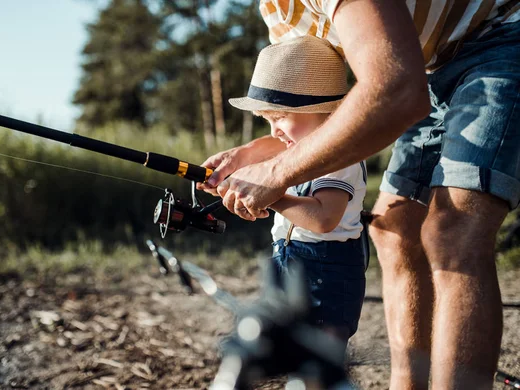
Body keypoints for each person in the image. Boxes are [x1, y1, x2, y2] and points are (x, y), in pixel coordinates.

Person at [198, 1, 520, 389]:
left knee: (452, 230)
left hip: (501, 34)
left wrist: (276, 176)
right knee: (395, 229)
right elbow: (302, 106)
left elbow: (394, 89)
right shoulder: (278, 9)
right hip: (430, 63)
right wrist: (249, 155)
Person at [227, 36, 367, 352]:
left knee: (319, 360)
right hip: (285, 260)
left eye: (279, 118)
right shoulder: (293, 153)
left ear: (323, 112)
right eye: (268, 120)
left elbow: (323, 218)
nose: (274, 131)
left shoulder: (339, 158)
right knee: (283, 348)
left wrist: (270, 194)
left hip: (326, 274)